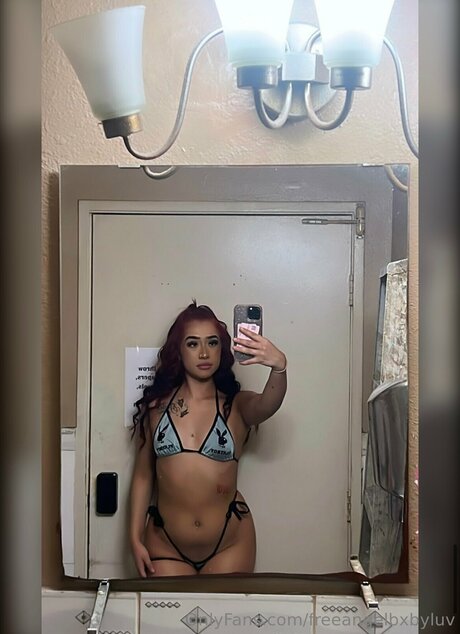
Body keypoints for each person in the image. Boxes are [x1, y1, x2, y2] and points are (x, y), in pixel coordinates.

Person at [129, 301, 287, 576]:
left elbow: (267, 405)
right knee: (164, 607)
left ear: (221, 349)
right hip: (166, 545)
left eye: (212, 343)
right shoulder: (156, 408)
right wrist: (134, 538)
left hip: (230, 543)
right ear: (178, 351)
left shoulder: (236, 406)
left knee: (223, 607)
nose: (204, 353)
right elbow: (143, 476)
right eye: (192, 343)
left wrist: (279, 367)